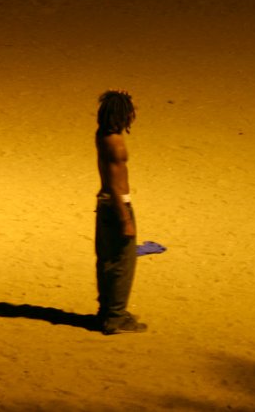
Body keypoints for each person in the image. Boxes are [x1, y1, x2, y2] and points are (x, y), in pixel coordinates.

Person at [95, 90, 147, 334]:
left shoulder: (102, 135)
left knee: (107, 260)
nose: (133, 115)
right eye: (131, 111)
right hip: (117, 205)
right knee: (123, 264)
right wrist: (125, 219)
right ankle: (116, 318)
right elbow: (116, 185)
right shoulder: (115, 144)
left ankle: (106, 311)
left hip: (104, 203)